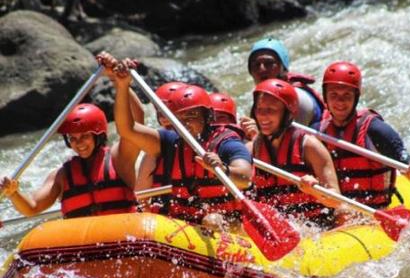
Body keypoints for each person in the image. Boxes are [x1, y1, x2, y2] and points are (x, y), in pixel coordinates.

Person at [112, 60, 253, 230]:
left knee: (211, 220)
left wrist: (223, 168)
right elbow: (127, 129)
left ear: (208, 116)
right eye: (180, 117)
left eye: (192, 115)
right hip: (182, 225)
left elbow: (245, 179)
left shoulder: (227, 142)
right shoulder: (169, 141)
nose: (185, 123)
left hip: (225, 223)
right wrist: (122, 86)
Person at [317, 61, 410, 209]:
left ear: (356, 97)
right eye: (334, 95)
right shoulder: (318, 132)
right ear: (325, 97)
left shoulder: (375, 130)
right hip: (339, 210)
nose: (340, 102)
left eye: (347, 95)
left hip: (377, 210)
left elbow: (403, 158)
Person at [0, 103, 139, 218]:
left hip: (123, 235)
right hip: (84, 240)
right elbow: (32, 207)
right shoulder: (61, 175)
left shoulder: (119, 159)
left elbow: (136, 124)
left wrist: (122, 85)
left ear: (98, 136)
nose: (79, 143)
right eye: (73, 138)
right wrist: (13, 193)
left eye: (85, 136)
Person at [248, 78, 341, 227]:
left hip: (318, 227)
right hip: (279, 230)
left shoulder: (310, 146)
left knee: (345, 212)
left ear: (287, 114)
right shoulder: (251, 149)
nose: (263, 116)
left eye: (271, 110)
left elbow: (337, 200)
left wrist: (315, 191)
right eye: (259, 109)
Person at [242, 37, 325, 135]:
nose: (262, 69)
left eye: (269, 63)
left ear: (284, 69)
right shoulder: (262, 99)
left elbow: (288, 141)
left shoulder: (298, 98)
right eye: (256, 65)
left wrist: (256, 135)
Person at [135, 81, 187, 194]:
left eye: (169, 111)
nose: (163, 118)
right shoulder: (154, 150)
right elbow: (141, 196)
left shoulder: (204, 144)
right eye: (160, 112)